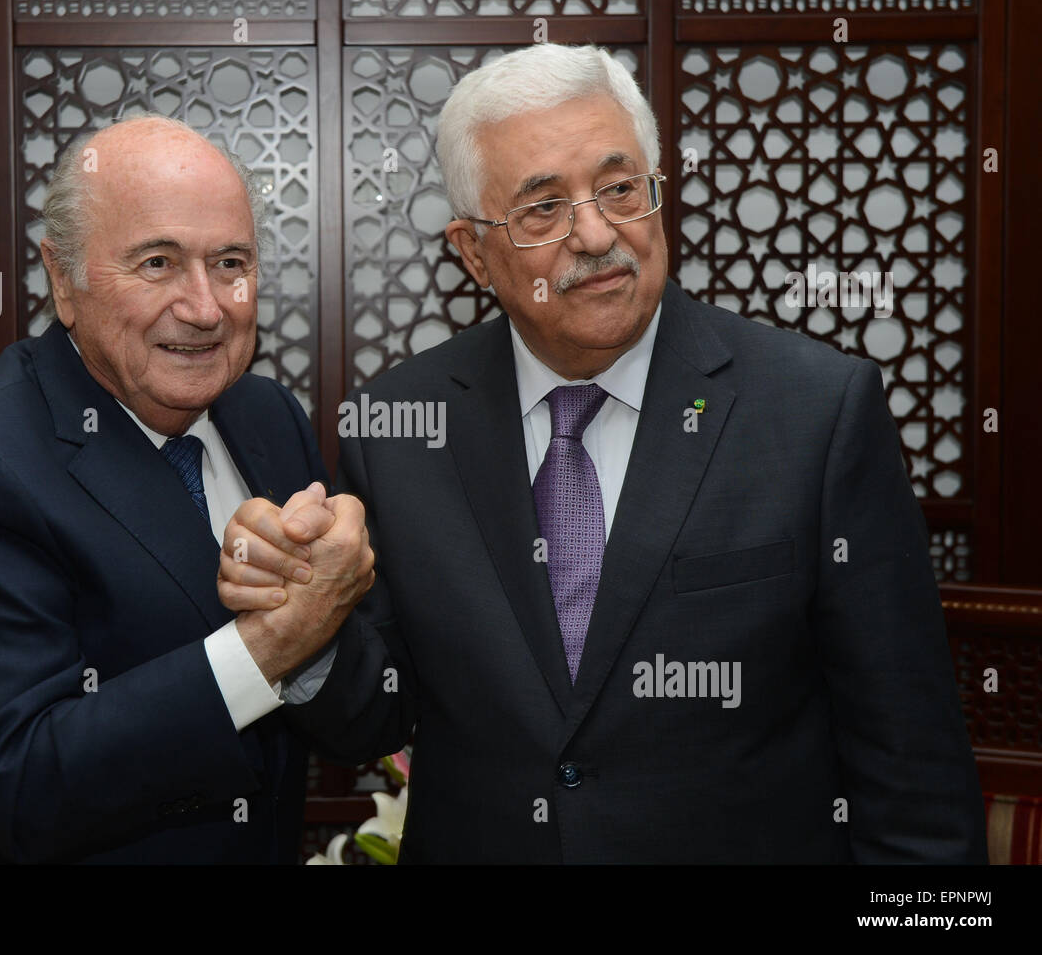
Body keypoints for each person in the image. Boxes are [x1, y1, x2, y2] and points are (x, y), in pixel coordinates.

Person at [219, 44, 988, 863]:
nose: (595, 233)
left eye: (620, 189)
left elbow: (914, 773)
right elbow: (376, 716)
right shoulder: (399, 426)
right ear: (474, 254)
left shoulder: (815, 412)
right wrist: (301, 626)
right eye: (542, 209)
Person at [0, 114, 371, 864]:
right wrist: (272, 643)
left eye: (230, 262)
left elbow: (368, 722)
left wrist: (322, 626)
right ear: (64, 277)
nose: (204, 307)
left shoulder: (268, 418)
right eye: (158, 263)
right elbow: (23, 783)